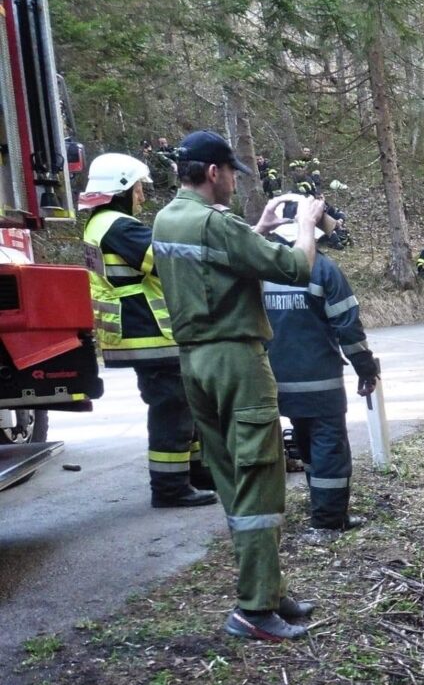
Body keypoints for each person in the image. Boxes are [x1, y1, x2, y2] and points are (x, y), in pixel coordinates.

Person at [152, 129, 325, 642]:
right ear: (213, 172)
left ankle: (267, 588)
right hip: (236, 361)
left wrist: (258, 227)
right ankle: (254, 608)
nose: (233, 181)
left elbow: (214, 262)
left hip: (196, 363)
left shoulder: (168, 218)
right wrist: (306, 226)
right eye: (231, 172)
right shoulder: (217, 223)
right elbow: (295, 267)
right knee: (260, 479)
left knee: (232, 477)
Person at [79, 153, 216, 509]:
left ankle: (197, 472)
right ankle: (170, 488)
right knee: (172, 408)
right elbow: (167, 262)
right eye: (139, 187)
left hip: (140, 332)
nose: (142, 195)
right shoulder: (118, 226)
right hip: (148, 333)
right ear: (122, 188)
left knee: (183, 403)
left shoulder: (99, 224)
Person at [261, 205, 379, 534]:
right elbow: (348, 327)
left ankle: (320, 504)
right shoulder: (324, 269)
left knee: (305, 438)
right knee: (329, 446)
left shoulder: (261, 267)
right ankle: (329, 520)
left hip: (272, 379)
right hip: (319, 380)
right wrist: (365, 368)